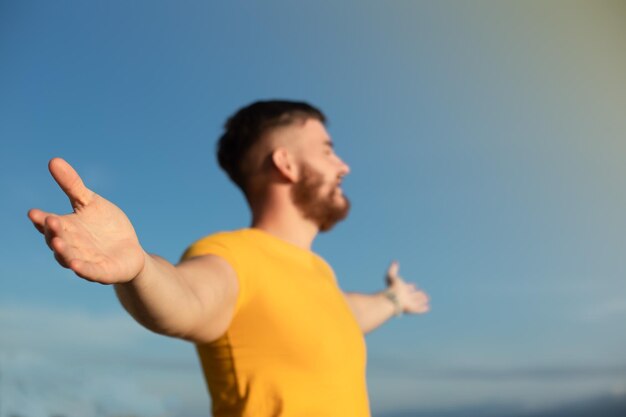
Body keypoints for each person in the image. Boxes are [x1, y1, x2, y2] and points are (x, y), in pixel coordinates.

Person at [28, 100, 430, 416]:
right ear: (285, 163)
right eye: (328, 150)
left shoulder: (319, 274)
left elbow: (348, 313)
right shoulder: (230, 256)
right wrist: (140, 269)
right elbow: (189, 298)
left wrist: (393, 300)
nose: (343, 165)